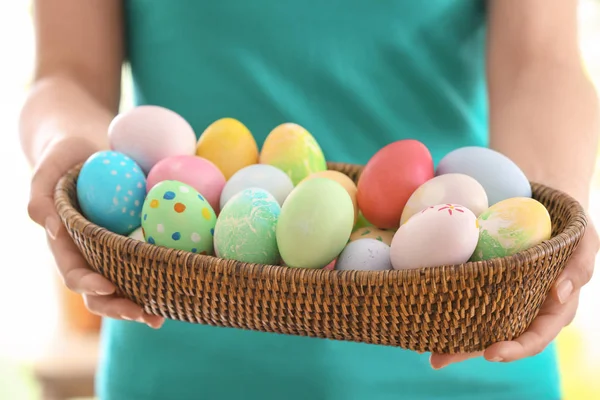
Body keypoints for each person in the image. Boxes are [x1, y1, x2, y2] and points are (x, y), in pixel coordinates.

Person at [20, 0, 599, 399]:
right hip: (186, 344)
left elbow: (540, 58)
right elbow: (66, 71)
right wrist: (68, 150)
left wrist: (545, 222)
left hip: (464, 341)